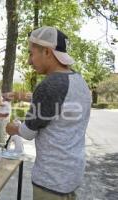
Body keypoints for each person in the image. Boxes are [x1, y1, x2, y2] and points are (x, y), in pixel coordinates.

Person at [5, 26, 91, 200]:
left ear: (47, 52)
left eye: (31, 53)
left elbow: (28, 132)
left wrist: (12, 128)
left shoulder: (49, 85)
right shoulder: (79, 81)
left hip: (50, 182)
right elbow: (57, 104)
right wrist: (23, 96)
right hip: (71, 176)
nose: (30, 61)